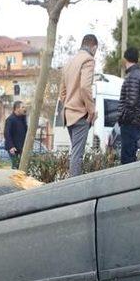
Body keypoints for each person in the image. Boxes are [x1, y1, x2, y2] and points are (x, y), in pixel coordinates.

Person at [60, 34, 98, 177]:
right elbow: (84, 87)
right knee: (77, 155)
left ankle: (71, 184)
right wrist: (91, 110)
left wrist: (69, 105)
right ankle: (73, 189)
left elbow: (62, 93)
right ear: (94, 47)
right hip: (81, 115)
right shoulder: (88, 60)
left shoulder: (69, 63)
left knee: (74, 153)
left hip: (68, 115)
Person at [116, 47, 140, 165]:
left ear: (125, 59)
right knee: (131, 155)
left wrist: (122, 117)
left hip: (130, 122)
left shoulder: (132, 76)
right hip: (137, 121)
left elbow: (131, 101)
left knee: (127, 157)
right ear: (138, 59)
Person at [4, 101, 28, 169]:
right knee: (16, 165)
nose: (24, 109)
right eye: (22, 107)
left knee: (22, 165)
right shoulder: (10, 120)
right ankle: (15, 179)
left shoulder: (23, 119)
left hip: (21, 147)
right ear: (17, 109)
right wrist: (11, 146)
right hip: (13, 148)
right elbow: (7, 133)